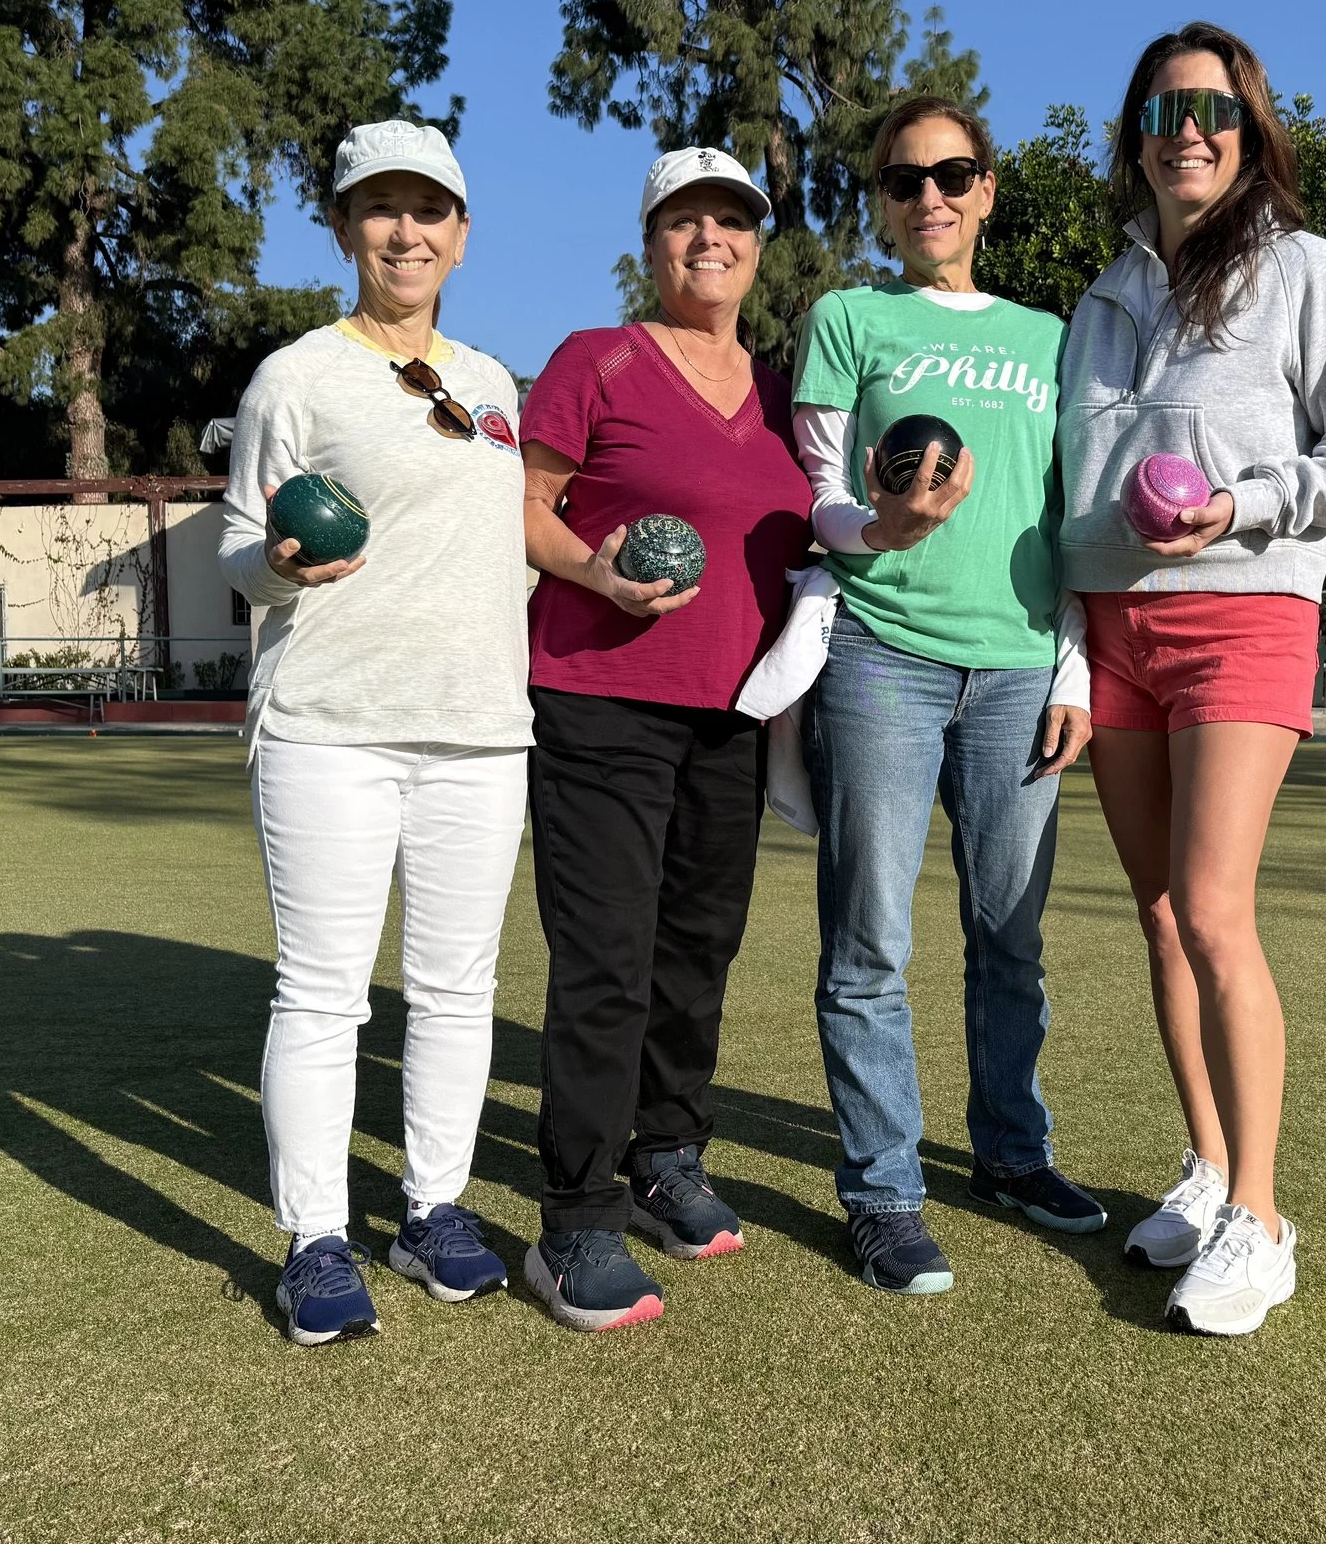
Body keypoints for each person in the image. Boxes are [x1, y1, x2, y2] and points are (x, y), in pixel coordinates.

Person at [1057, 23, 1326, 1337]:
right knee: (1156, 912)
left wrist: (1251, 501)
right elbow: (1071, 494)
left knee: (1213, 908)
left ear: (1249, 130)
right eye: (1161, 106)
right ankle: (1209, 1170)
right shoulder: (1103, 299)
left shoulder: (1303, 271)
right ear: (1137, 133)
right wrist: (1073, 639)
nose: (1184, 127)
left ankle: (1262, 1219)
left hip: (1244, 614)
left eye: (1211, 107)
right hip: (1116, 626)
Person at [219, 120, 531, 1346]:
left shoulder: (494, 383)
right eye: (380, 209)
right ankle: (318, 1239)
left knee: (459, 994)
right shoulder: (295, 376)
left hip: (478, 728)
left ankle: (435, 1212)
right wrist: (282, 564)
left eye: (429, 210)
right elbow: (240, 554)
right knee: (323, 994)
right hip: (330, 727)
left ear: (461, 232)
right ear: (346, 229)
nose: (407, 231)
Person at [793, 95, 1099, 1297]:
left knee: (1008, 940)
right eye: (904, 181)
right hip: (882, 656)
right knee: (869, 939)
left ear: (987, 191)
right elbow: (816, 484)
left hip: (1020, 665)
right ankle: (882, 1192)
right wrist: (882, 524)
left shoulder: (1049, 335)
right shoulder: (848, 317)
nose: (930, 198)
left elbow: (1068, 515)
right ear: (879, 200)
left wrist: (1072, 664)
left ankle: (1012, 1157)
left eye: (953, 175)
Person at [515, 148, 812, 1332]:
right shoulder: (596, 361)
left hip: (732, 713)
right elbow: (524, 507)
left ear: (755, 244)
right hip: (598, 696)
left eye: (731, 222)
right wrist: (594, 568)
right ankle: (575, 1221)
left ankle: (666, 1156)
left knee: (698, 950)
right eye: (684, 222)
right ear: (650, 245)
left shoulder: (788, 391)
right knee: (605, 961)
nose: (709, 241)